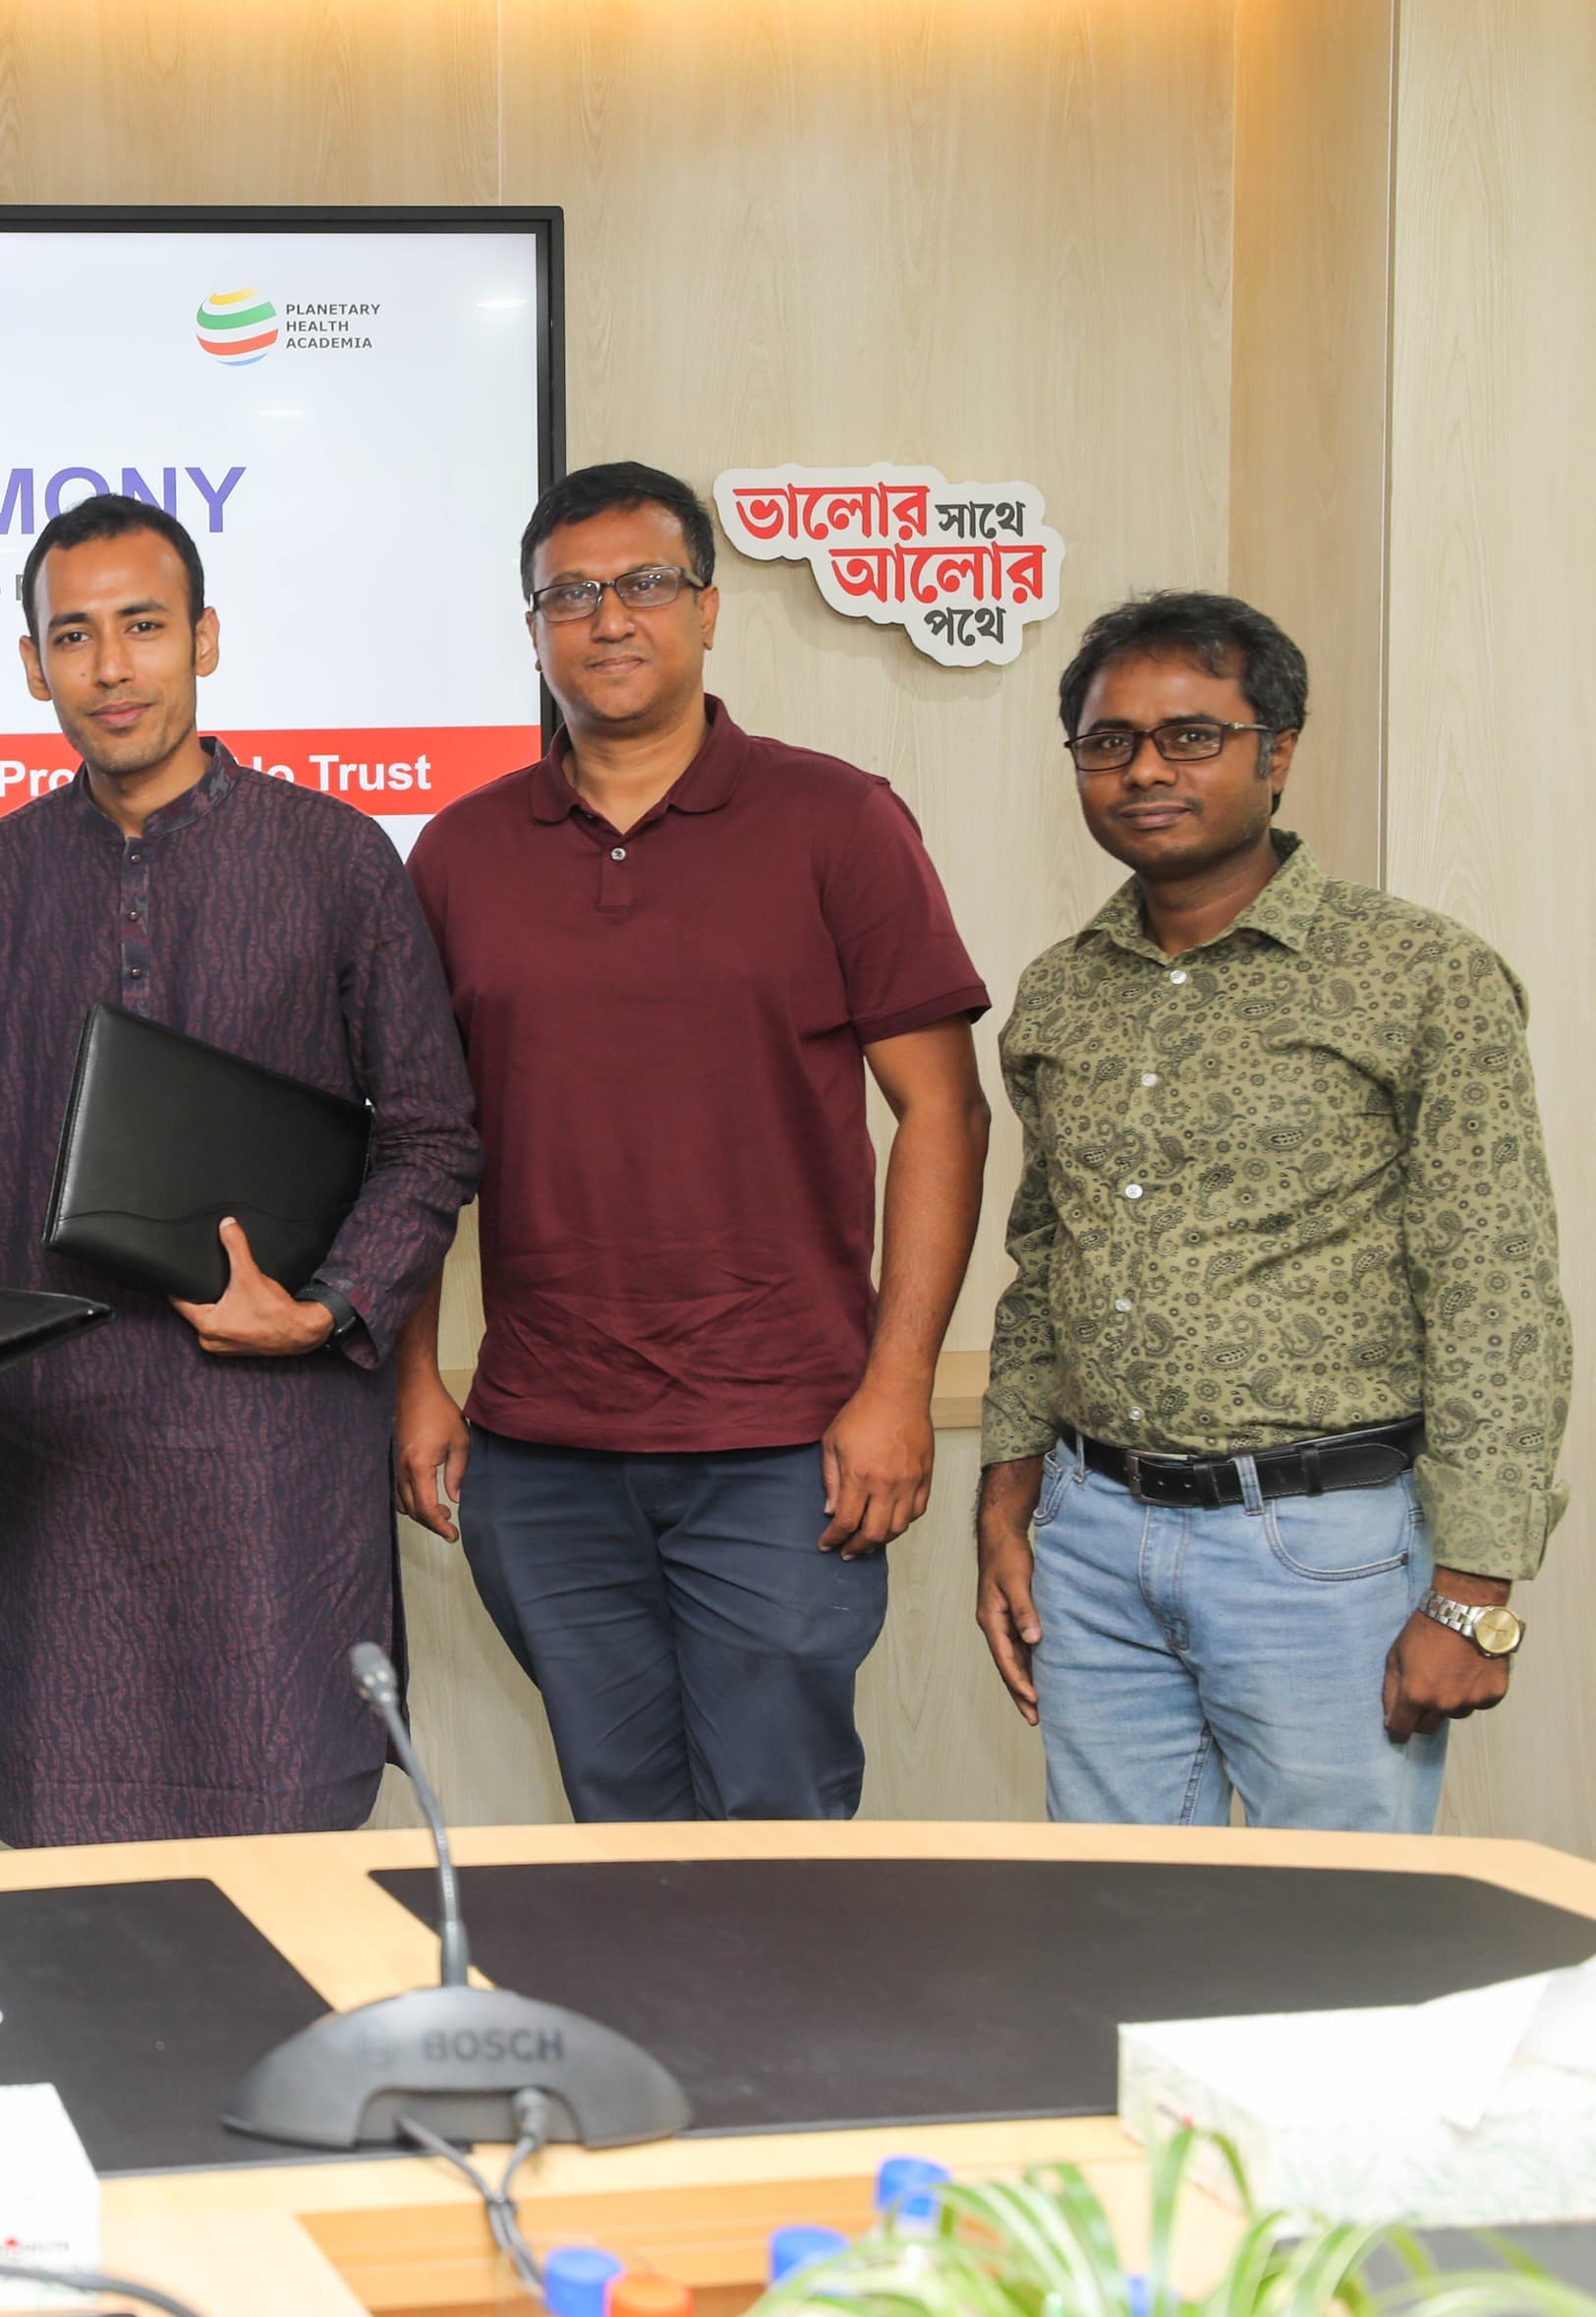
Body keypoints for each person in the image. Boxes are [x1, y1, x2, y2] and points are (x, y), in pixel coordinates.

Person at [0, 492, 481, 1841]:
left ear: (204, 638)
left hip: (276, 1444)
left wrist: (327, 1309)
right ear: (31, 665)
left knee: (284, 1833)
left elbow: (431, 1132)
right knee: (74, 1847)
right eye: (74, 637)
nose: (111, 668)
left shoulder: (335, 860)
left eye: (143, 627)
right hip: (66, 1441)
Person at [398, 460, 993, 1823]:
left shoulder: (837, 821)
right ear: (535, 626)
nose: (610, 620)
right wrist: (418, 1378)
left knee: (774, 1828)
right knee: (613, 1825)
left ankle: (778, 2050)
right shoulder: (463, 853)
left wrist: (898, 1387)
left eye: (647, 585)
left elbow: (945, 1111)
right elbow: (419, 1138)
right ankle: (644, 2050)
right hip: (542, 1450)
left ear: (711, 611)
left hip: (784, 1446)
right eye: (572, 595)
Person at [973, 594, 1568, 1830]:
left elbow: (1495, 1288)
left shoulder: (1417, 973)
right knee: (1122, 1940)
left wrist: (1470, 1593)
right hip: (1090, 1542)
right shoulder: (1061, 991)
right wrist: (1007, 1498)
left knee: (1338, 1956)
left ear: (1277, 751)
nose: (1142, 768)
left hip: (1322, 1551)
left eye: (1191, 735)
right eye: (1106, 739)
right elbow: (1045, 1264)